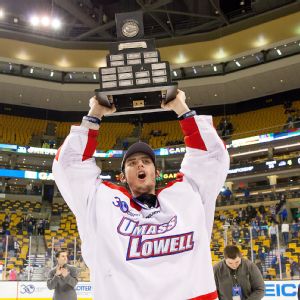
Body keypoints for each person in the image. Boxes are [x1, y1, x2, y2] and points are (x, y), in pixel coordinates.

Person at [52, 90, 230, 300]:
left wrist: (181, 109)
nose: (139, 164)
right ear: (122, 176)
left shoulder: (186, 195)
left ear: (156, 172)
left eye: (146, 161)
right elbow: (69, 165)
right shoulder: (101, 202)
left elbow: (212, 156)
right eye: (131, 162)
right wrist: (95, 113)